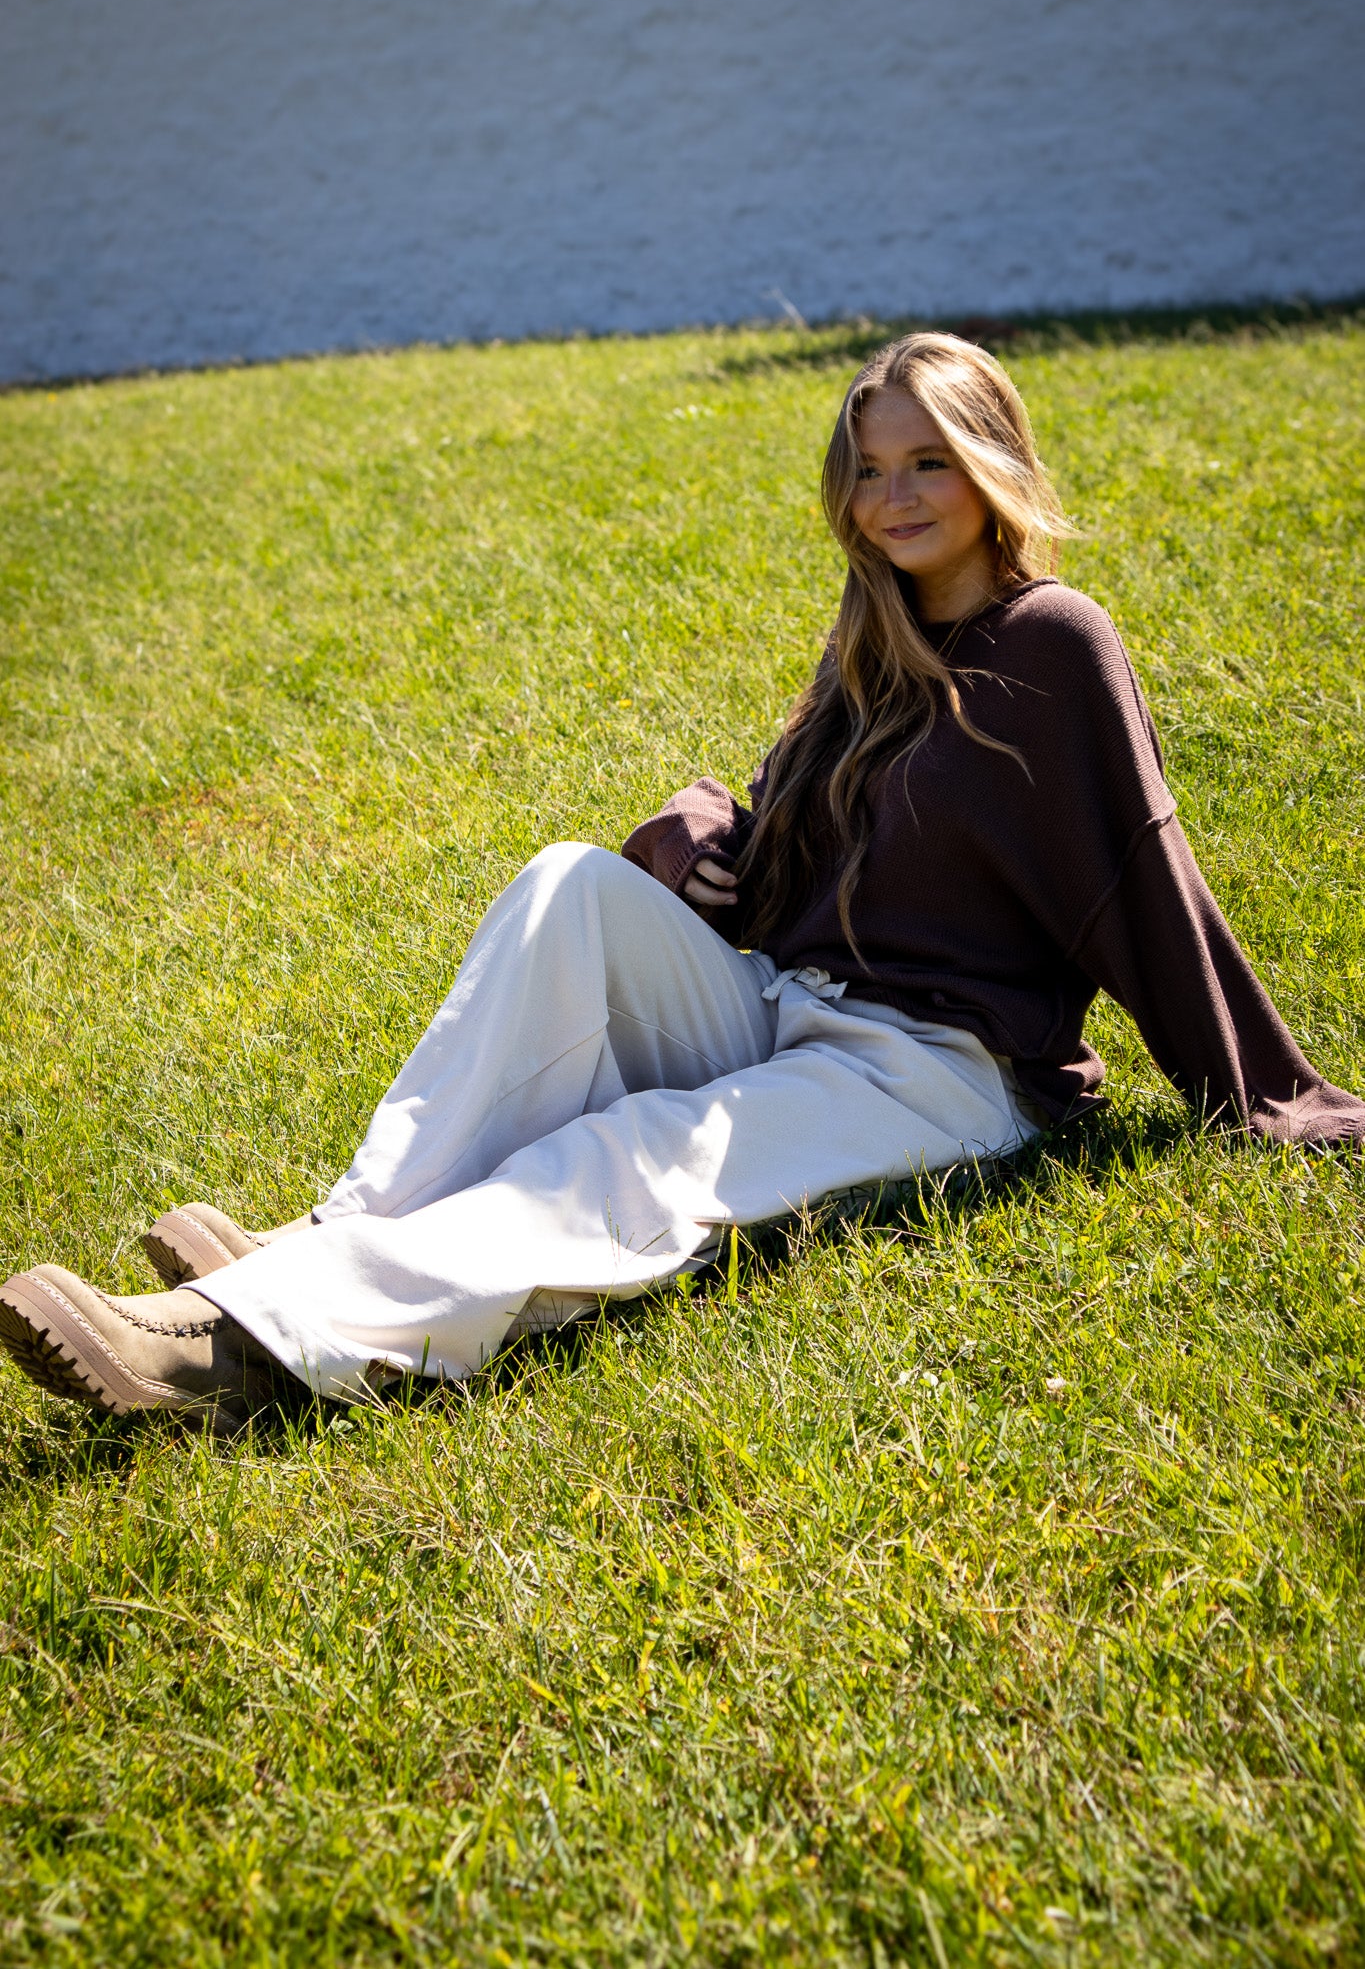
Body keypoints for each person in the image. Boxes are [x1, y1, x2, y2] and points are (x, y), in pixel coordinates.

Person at [4, 332, 1362, 1432]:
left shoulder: (1055, 643)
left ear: (993, 466)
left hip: (939, 1067)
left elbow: (1141, 861)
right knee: (563, 888)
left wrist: (1262, 1091)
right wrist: (705, 828)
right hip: (787, 998)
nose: (891, 496)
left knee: (633, 1155)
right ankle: (329, 1243)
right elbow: (789, 830)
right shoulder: (870, 643)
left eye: (926, 463)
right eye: (869, 467)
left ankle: (256, 1345)